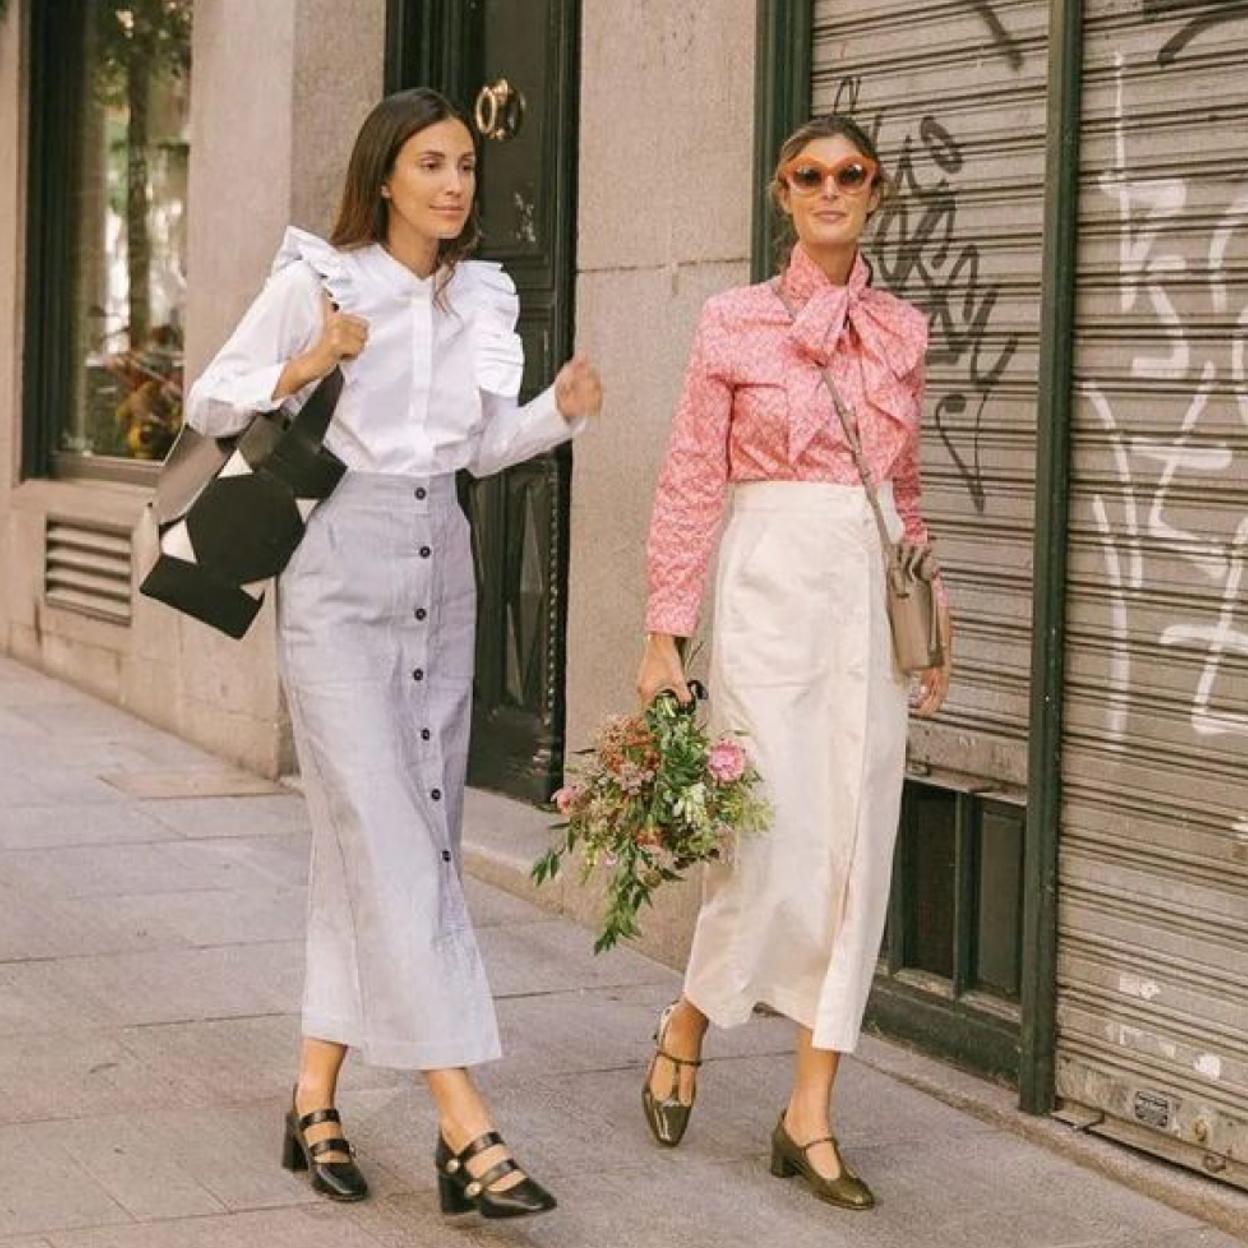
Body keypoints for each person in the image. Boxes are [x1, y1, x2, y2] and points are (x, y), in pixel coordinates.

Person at [186, 87, 602, 1220]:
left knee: (387, 843)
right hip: (337, 569)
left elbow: (475, 448)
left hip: (441, 564)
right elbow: (209, 402)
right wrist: (308, 360)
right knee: (390, 840)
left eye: (466, 165)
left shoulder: (484, 296)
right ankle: (466, 1124)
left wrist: (556, 413)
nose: (456, 185)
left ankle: (312, 1097)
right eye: (431, 164)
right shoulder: (321, 279)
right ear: (385, 176)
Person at [636, 113, 952, 1211]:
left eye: (849, 174)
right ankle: (687, 1023)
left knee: (856, 848)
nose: (830, 189)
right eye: (808, 174)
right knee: (765, 838)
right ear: (781, 191)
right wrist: (663, 631)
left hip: (867, 595)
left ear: (875, 192)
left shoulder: (904, 329)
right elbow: (688, 478)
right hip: (767, 583)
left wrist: (931, 616)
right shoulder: (734, 320)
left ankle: (809, 1111)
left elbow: (902, 489)